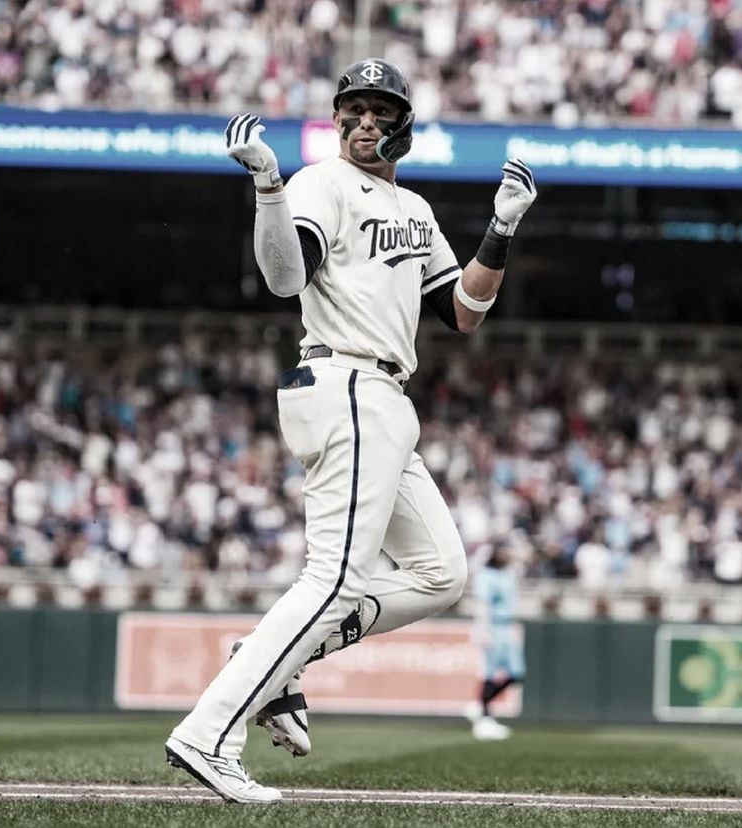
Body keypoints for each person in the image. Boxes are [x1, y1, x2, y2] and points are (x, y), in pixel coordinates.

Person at [163, 58, 539, 803]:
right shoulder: (319, 184)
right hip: (346, 380)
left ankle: (271, 661)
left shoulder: (417, 208)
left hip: (385, 396)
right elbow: (283, 279)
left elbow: (463, 311)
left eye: (380, 110)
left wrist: (499, 228)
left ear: (403, 123)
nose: (365, 121)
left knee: (441, 573)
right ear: (336, 119)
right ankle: (209, 734)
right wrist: (269, 186)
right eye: (353, 109)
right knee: (334, 579)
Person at [467, 544, 524, 740]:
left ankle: (480, 706)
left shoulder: (508, 575)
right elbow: (483, 604)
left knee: (516, 674)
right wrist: (484, 629)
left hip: (506, 626)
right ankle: (484, 715)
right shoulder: (486, 576)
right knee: (490, 673)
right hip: (493, 626)